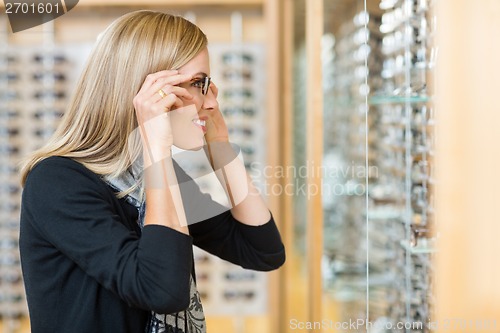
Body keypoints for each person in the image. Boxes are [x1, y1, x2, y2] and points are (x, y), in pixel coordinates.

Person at [19, 10, 285, 333]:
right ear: (148, 90)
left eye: (208, 84)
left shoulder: (148, 176)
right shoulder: (57, 182)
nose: (211, 102)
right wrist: (157, 150)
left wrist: (221, 147)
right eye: (198, 83)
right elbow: (162, 289)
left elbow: (263, 249)